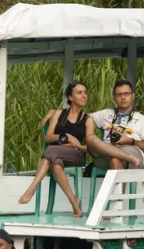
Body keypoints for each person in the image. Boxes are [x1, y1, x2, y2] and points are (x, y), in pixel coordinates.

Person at [17, 81, 92, 217]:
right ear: (70, 97)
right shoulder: (59, 114)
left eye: (85, 92)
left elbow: (90, 147)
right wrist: (66, 136)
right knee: (56, 165)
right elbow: (48, 137)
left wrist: (76, 145)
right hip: (57, 153)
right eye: (79, 93)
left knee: (50, 151)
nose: (84, 96)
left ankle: (32, 188)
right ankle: (75, 204)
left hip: (76, 154)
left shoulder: (88, 119)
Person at [88, 80, 144, 169]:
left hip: (131, 152)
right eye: (119, 95)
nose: (123, 97)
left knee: (115, 160)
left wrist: (130, 141)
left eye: (126, 94)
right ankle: (123, 157)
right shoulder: (106, 114)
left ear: (133, 96)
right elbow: (86, 117)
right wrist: (89, 128)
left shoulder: (143, 120)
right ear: (114, 98)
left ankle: (127, 158)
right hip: (106, 152)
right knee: (90, 138)